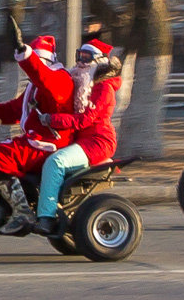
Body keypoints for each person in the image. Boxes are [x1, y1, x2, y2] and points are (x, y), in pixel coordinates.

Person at [0, 34, 74, 233]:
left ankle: (22, 211)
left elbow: (44, 78)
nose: (27, 70)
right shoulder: (36, 86)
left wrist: (26, 56)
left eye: (32, 63)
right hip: (34, 141)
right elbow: (15, 109)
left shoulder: (58, 80)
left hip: (48, 144)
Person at [31, 39, 123, 236]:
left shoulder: (103, 88)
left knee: (55, 162)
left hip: (98, 142)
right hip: (82, 140)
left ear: (98, 62)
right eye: (79, 56)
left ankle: (46, 217)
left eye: (87, 58)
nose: (81, 62)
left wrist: (52, 119)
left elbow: (85, 119)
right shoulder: (82, 83)